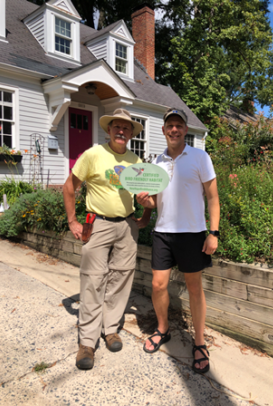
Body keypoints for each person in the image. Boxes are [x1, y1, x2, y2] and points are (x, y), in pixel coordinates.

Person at [62, 108, 152, 370]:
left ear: (132, 133)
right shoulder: (93, 155)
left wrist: (146, 214)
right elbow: (69, 187)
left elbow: (148, 192)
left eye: (126, 128)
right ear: (109, 130)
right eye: (117, 126)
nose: (121, 131)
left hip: (126, 226)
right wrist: (72, 221)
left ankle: (110, 328)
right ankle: (87, 342)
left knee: (122, 277)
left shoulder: (136, 162)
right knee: (92, 280)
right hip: (97, 224)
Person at [136, 108, 219, 374]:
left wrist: (213, 233)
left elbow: (213, 198)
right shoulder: (156, 162)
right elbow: (155, 200)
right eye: (169, 125)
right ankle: (163, 329)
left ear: (185, 130)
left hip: (193, 233)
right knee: (158, 285)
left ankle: (199, 342)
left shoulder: (199, 157)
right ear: (163, 130)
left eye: (179, 125)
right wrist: (144, 201)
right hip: (163, 232)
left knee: (195, 289)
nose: (174, 129)